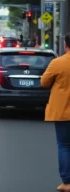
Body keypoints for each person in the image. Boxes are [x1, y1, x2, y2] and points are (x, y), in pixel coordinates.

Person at [41, 32, 70, 192]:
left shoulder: (58, 63)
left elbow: (44, 82)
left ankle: (67, 183)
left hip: (64, 112)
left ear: (65, 45)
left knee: (65, 145)